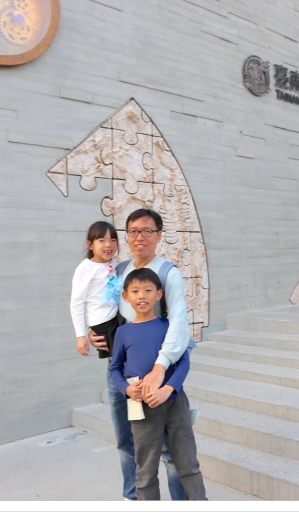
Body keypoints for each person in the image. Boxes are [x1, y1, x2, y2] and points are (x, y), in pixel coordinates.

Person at [88, 208, 195, 500]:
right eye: (134, 231)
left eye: (147, 231)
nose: (140, 238)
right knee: (126, 442)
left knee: (170, 451)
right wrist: (92, 332)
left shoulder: (168, 273)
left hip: (155, 372)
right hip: (122, 373)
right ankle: (133, 498)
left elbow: (179, 325)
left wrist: (160, 368)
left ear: (159, 235)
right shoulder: (120, 270)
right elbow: (103, 307)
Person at [109, 268, 207, 500]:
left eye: (148, 290)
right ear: (126, 297)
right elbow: (114, 368)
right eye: (135, 291)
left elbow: (183, 361)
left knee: (188, 463)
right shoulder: (123, 333)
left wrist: (168, 390)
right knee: (146, 469)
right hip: (141, 407)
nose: (142, 296)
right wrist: (127, 389)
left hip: (174, 404)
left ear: (159, 294)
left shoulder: (169, 327)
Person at [71, 221, 123, 360]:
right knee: (118, 362)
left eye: (113, 240)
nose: (108, 245)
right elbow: (76, 303)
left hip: (117, 318)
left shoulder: (113, 263)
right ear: (90, 245)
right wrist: (81, 335)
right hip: (103, 324)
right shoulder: (85, 269)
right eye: (101, 240)